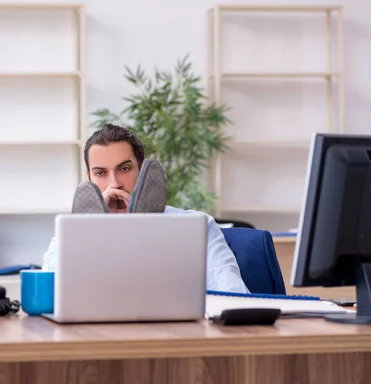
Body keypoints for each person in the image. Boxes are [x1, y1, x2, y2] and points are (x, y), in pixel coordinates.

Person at [42, 124, 249, 294]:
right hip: (99, 333)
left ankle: (147, 223)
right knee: (76, 239)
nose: (114, 183)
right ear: (89, 178)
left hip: (175, 334)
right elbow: (49, 291)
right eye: (100, 173)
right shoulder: (68, 235)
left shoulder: (199, 226)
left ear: (142, 169)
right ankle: (97, 225)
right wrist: (85, 229)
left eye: (124, 169)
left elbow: (234, 293)